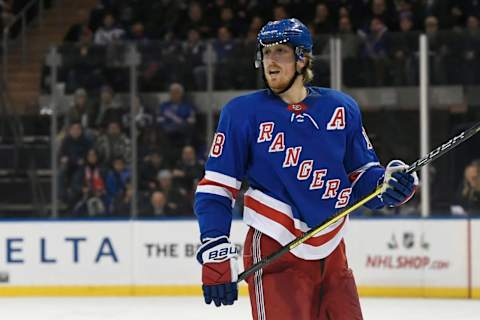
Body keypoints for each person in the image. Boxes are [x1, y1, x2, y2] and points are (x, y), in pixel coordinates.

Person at [194, 18, 418, 320]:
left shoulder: (341, 107)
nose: (269, 61)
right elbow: (217, 187)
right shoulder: (242, 113)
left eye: (280, 51)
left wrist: (389, 185)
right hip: (276, 246)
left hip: (333, 250)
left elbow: (363, 177)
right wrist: (216, 246)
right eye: (265, 52)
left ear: (302, 57)